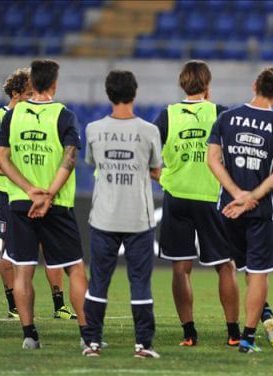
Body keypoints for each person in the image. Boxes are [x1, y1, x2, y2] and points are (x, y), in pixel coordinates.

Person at [0, 59, 88, 349]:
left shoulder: (13, 115)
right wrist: (48, 194)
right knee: (74, 269)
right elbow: (69, 158)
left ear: (32, 83)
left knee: (24, 270)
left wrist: (28, 190)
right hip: (56, 204)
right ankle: (89, 337)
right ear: (54, 83)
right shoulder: (64, 115)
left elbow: (1, 157)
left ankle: (29, 336)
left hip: (21, 204)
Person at [0, 68, 76, 320]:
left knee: (47, 246)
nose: (33, 98)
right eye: (29, 93)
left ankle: (59, 306)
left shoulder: (30, 117)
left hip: (35, 193)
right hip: (8, 195)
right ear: (16, 93)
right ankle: (14, 305)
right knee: (11, 250)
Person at [153, 60, 240, 347]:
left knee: (181, 267)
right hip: (210, 197)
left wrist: (164, 179)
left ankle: (189, 334)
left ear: (182, 84)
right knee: (225, 265)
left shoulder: (166, 116)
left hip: (176, 196)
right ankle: (232, 334)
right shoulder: (219, 114)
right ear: (207, 84)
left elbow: (148, 158)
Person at [207, 67, 273, 353]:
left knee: (241, 267)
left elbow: (213, 160)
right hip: (261, 211)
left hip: (228, 209)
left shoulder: (226, 118)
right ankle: (247, 338)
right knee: (259, 273)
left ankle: (264, 315)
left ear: (255, 85)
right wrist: (251, 196)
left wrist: (236, 194)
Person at [81, 70, 162, 358]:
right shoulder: (149, 131)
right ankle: (143, 344)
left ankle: (91, 343)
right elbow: (156, 170)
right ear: (135, 92)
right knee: (140, 283)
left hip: (103, 217)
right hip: (138, 219)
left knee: (99, 281)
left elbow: (93, 162)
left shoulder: (92, 129)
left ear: (108, 93)